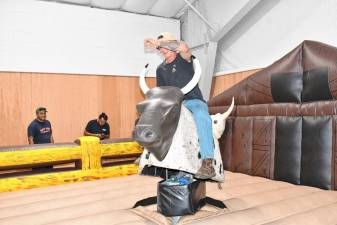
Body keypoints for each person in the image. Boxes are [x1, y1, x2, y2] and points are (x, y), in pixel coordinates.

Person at [144, 32, 215, 179]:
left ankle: (208, 162)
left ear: (172, 44)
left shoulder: (184, 58)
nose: (162, 49)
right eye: (159, 47)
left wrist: (159, 43)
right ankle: (148, 154)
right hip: (174, 104)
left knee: (202, 116)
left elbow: (184, 47)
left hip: (193, 101)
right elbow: (163, 93)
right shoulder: (160, 69)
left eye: (165, 45)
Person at [27, 107, 54, 171]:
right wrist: (35, 154)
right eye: (41, 113)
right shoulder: (32, 125)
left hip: (49, 153)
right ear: (37, 114)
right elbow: (30, 140)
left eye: (44, 113)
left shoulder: (48, 123)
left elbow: (51, 135)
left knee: (50, 172)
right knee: (39, 172)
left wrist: (53, 148)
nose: (43, 115)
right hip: (39, 154)